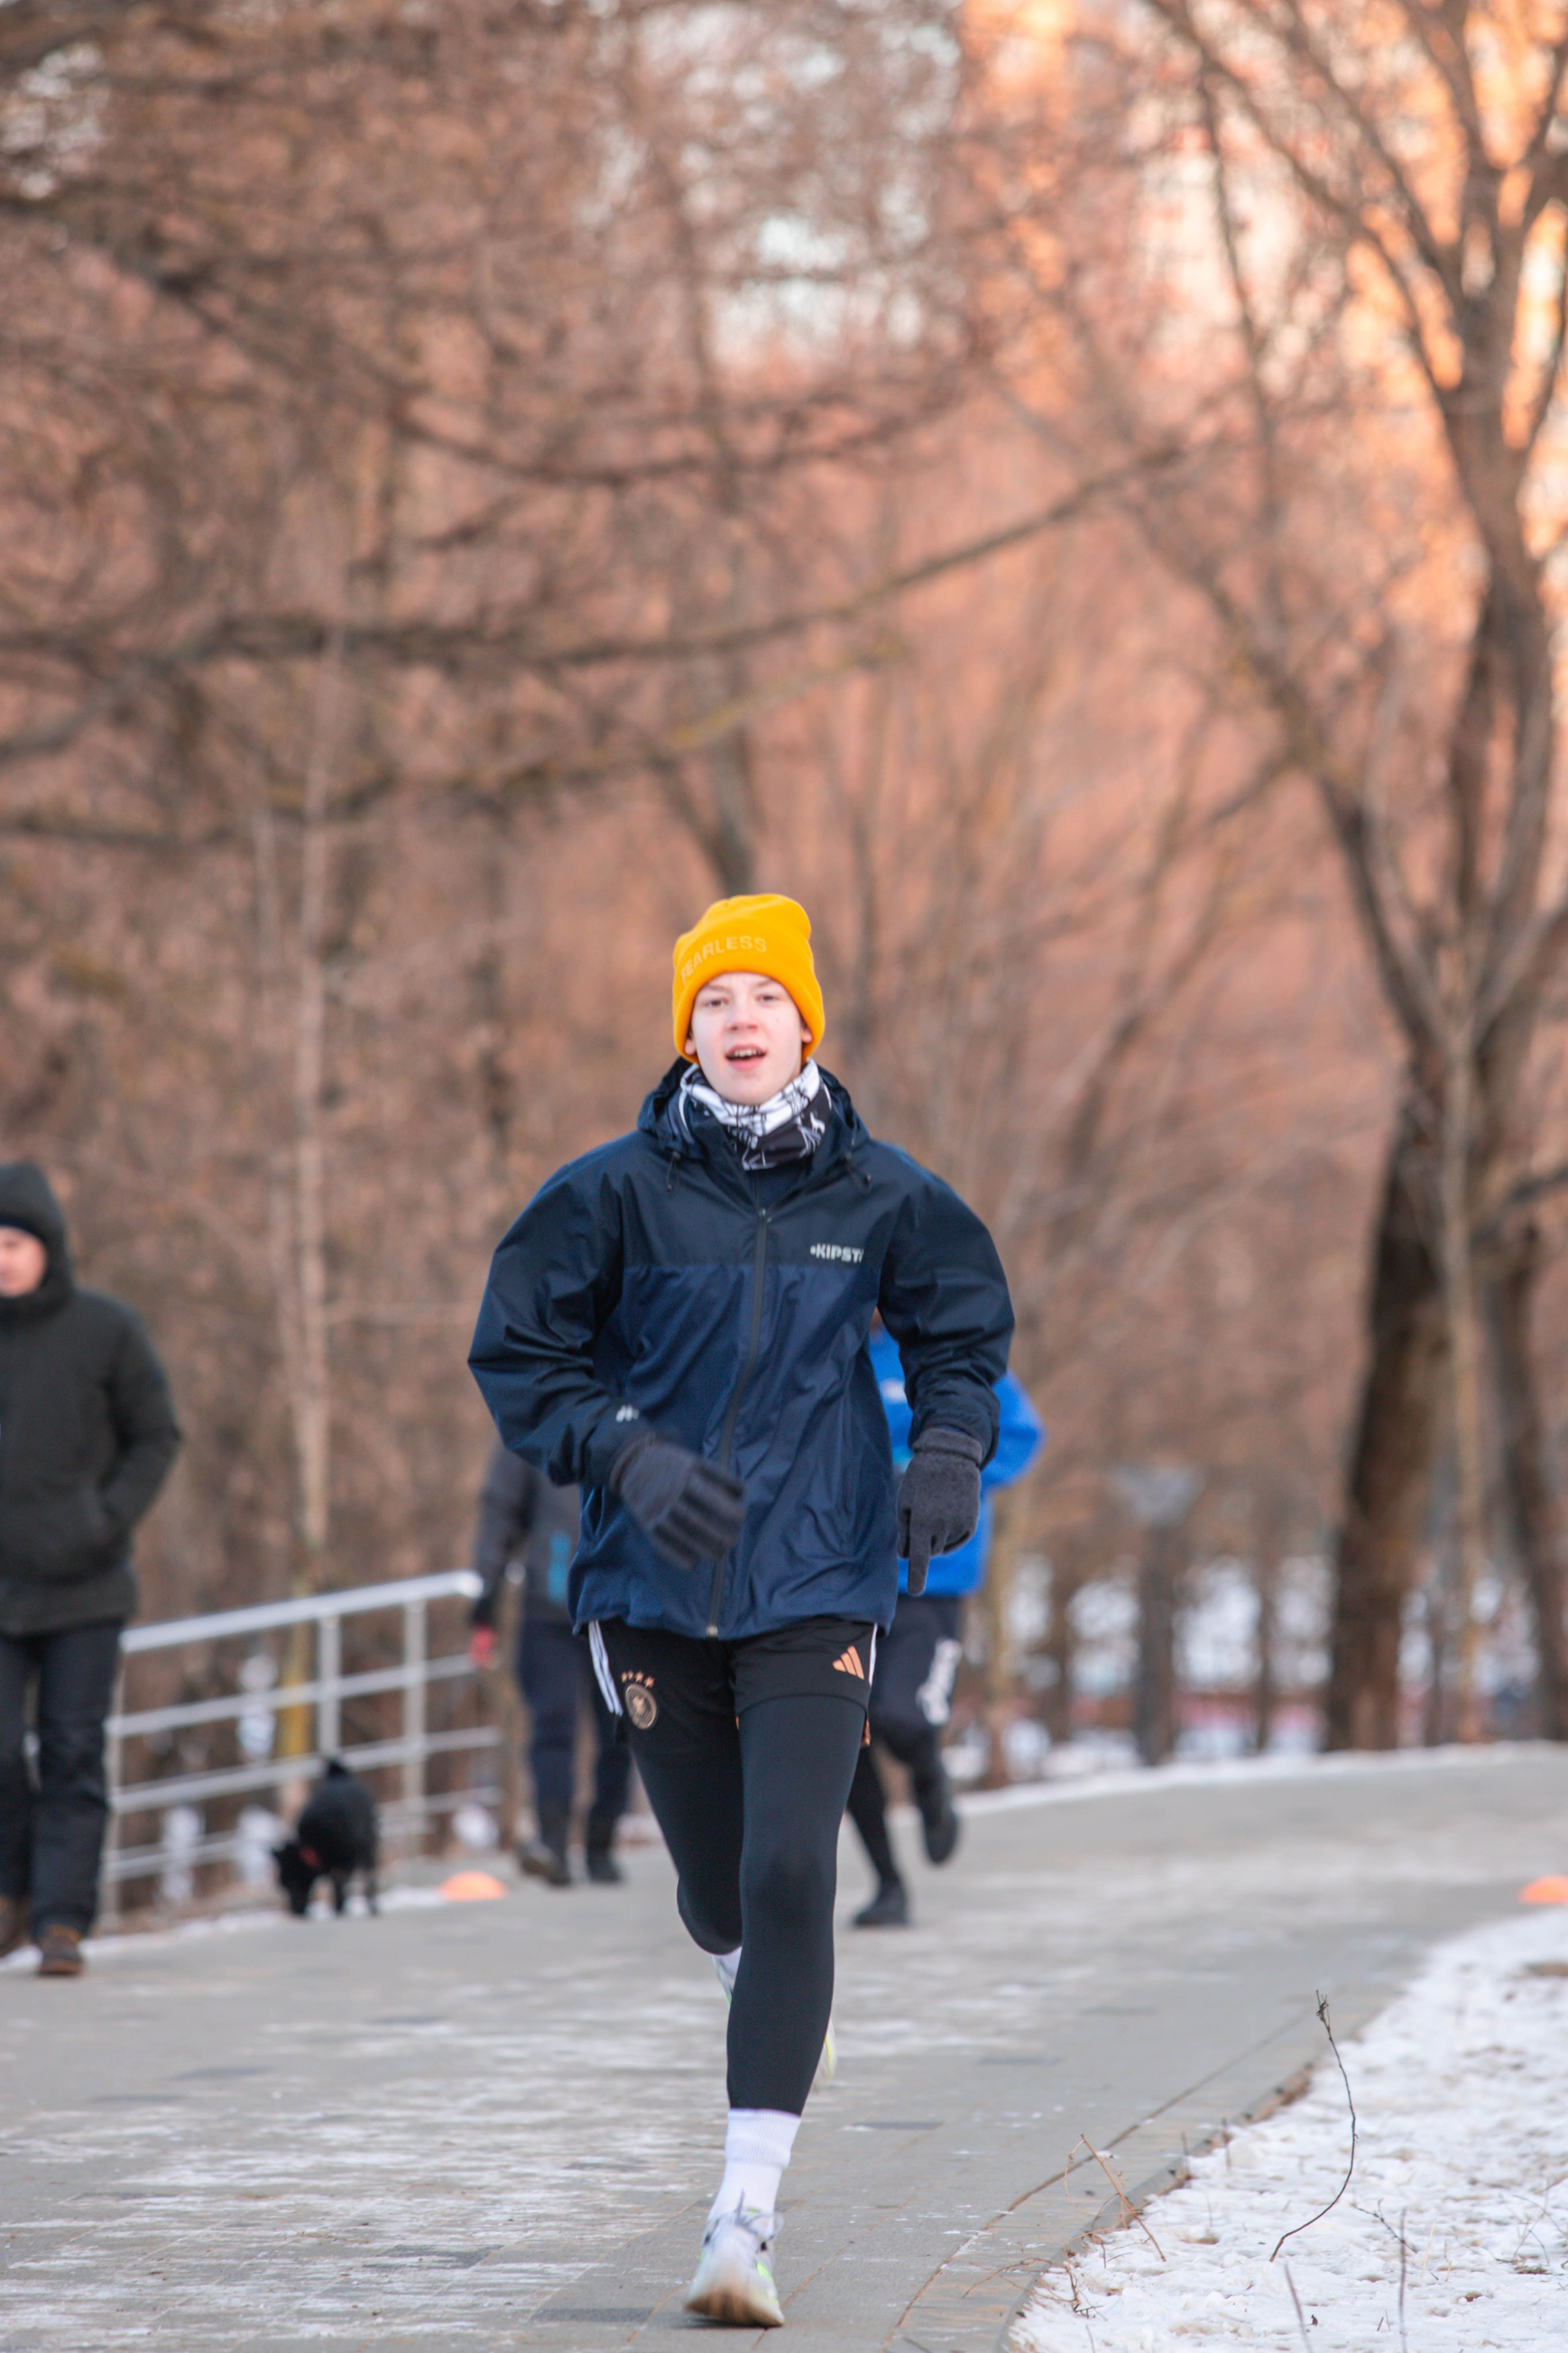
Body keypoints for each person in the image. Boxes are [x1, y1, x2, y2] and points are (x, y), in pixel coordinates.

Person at [470, 893, 1014, 2327]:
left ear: (805, 1023)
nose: (740, 1019)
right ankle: (756, 1972)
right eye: (713, 1002)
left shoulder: (882, 1195)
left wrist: (946, 1450)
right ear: (686, 1034)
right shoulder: (607, 1193)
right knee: (717, 1893)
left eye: (763, 997)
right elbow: (518, 1352)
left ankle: (742, 2213)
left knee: (789, 1875)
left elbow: (964, 1331)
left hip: (819, 1575)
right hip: (646, 1586)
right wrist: (625, 1450)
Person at [0, 1163, 181, 1977]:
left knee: (73, 1749)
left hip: (85, 1586)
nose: (2, 1258)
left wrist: (104, 1519)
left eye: (13, 1243)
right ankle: (10, 1898)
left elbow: (157, 1435)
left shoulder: (106, 1329)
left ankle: (62, 1920)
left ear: (48, 1248)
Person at [846, 1327, 1043, 1927]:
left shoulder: (949, 1350)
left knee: (900, 1716)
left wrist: (953, 1475)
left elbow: (1018, 1433)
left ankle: (928, 1771)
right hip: (843, 1575)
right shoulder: (841, 1349)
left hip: (934, 1577)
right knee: (844, 1732)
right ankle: (887, 1883)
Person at [467, 1445, 631, 1886]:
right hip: (548, 1607)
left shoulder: (633, 1395)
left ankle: (601, 1842)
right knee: (552, 1725)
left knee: (624, 1728)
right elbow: (500, 1512)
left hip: (619, 1607)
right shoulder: (534, 1419)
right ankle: (554, 1845)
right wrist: (486, 1600)